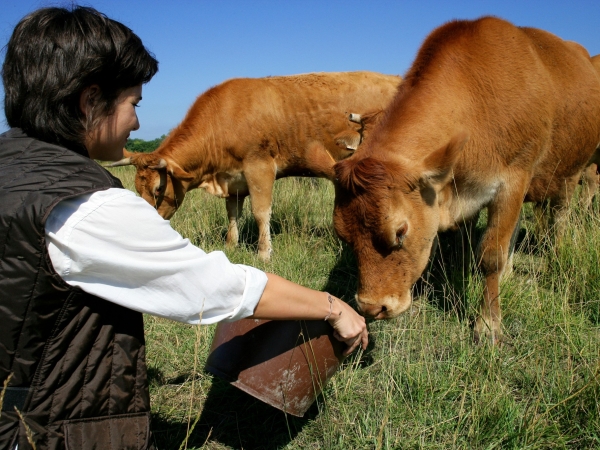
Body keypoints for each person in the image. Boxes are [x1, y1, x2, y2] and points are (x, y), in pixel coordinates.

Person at [0, 6, 368, 450]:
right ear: (90, 101)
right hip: (42, 431)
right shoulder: (85, 207)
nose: (137, 122)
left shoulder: (12, 172)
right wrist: (333, 307)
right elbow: (212, 287)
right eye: (133, 104)